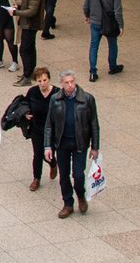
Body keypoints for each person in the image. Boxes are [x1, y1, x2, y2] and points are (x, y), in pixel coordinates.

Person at [43, 69, 101, 219]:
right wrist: (48, 146)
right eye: (67, 83)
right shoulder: (55, 99)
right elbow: (49, 124)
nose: (70, 85)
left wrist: (95, 147)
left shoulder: (87, 99)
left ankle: (80, 195)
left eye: (72, 82)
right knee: (64, 176)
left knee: (78, 174)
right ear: (61, 84)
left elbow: (94, 124)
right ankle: (68, 203)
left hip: (80, 143)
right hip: (62, 143)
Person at [82, 0, 124, 82]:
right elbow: (118, 10)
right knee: (112, 45)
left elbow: (85, 5)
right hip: (109, 23)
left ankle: (93, 72)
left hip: (95, 22)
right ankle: (112, 66)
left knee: (94, 46)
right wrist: (120, 25)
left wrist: (87, 16)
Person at [24, 67, 58, 191]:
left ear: (49, 79)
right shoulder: (33, 92)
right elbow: (26, 104)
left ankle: (53, 164)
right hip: (36, 127)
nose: (42, 83)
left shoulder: (57, 93)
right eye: (39, 81)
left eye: (45, 80)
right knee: (37, 154)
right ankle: (36, 178)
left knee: (48, 155)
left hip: (52, 130)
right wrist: (26, 113)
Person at [13, 0, 44, 86]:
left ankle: (27, 76)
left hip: (30, 24)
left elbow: (32, 11)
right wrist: (20, 7)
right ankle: (30, 72)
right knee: (30, 48)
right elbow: (30, 6)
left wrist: (15, 12)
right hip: (30, 24)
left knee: (25, 50)